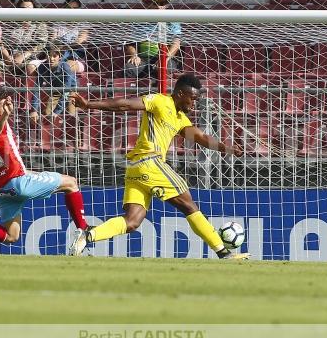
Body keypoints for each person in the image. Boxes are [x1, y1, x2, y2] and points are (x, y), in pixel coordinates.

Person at [69, 74, 248, 259]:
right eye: (192, 99)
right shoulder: (159, 101)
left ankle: (87, 234)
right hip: (150, 162)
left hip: (135, 168)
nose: (194, 104)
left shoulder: (180, 118)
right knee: (189, 204)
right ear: (180, 93)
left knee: (132, 221)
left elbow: (200, 137)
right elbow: (126, 104)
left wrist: (226, 148)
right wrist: (89, 104)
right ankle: (223, 252)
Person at [0, 87, 90, 246]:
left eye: (8, 101)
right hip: (18, 184)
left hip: (3, 190)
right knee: (71, 183)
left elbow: (12, 163)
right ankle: (83, 230)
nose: (8, 105)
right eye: (3, 103)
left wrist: (35, 174)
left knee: (11, 236)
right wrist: (5, 115)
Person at [124, 0, 182, 79]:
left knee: (163, 67)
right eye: (155, 3)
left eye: (162, 3)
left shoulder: (172, 20)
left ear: (166, 5)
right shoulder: (139, 21)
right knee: (129, 68)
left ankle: (159, 91)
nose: (158, 6)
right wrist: (134, 55)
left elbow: (176, 43)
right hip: (142, 59)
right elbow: (131, 43)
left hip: (166, 57)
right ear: (148, 4)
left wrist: (166, 58)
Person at [0, 0, 48, 77]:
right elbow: (2, 43)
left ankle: (29, 89)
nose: (26, 12)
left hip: (32, 58)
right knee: (0, 66)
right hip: (12, 57)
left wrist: (23, 56)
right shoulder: (11, 26)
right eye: (23, 9)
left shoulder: (39, 25)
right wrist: (7, 56)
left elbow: (40, 45)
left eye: (29, 10)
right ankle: (2, 88)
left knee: (30, 67)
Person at [30, 45, 77, 123]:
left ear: (60, 57)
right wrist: (34, 110)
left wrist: (57, 111)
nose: (51, 59)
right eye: (49, 56)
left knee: (71, 116)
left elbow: (66, 90)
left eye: (54, 56)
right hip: (56, 90)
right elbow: (36, 89)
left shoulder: (65, 67)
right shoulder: (42, 67)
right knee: (48, 115)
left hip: (71, 90)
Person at [50, 0, 89, 75]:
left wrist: (62, 47)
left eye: (75, 8)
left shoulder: (83, 24)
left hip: (76, 57)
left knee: (66, 66)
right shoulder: (58, 24)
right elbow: (52, 40)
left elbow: (79, 42)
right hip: (57, 55)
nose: (72, 11)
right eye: (69, 8)